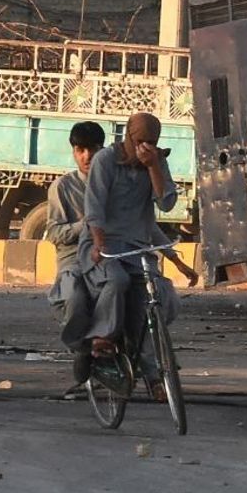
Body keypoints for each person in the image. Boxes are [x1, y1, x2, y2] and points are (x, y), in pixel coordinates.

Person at [77, 112, 198, 389]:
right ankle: (102, 338)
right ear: (128, 137)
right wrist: (98, 243)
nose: (146, 147)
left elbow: (165, 205)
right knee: (117, 280)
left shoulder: (156, 160)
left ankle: (152, 369)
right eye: (140, 141)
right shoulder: (106, 160)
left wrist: (153, 166)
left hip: (137, 247)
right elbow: (94, 208)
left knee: (157, 296)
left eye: (151, 142)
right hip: (103, 244)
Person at [45, 120, 105, 384]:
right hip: (74, 259)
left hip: (108, 254)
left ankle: (153, 371)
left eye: (92, 149)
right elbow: (55, 234)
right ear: (73, 151)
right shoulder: (62, 188)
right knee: (76, 296)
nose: (87, 156)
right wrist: (86, 225)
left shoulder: (113, 182)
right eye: (80, 150)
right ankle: (81, 348)